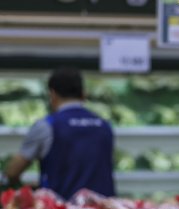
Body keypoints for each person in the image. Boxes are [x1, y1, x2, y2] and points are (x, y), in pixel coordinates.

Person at [4, 68, 115, 200]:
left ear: (52, 94)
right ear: (84, 94)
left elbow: (13, 172)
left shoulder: (47, 125)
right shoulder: (104, 125)